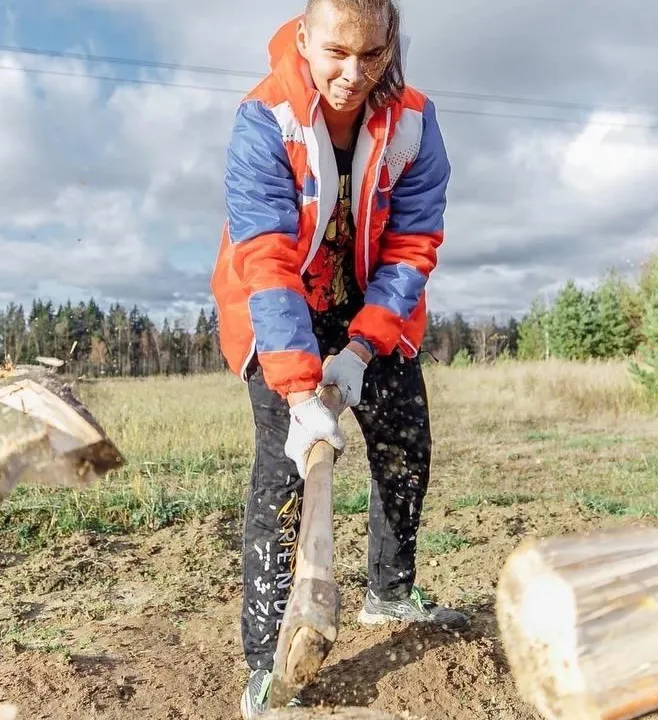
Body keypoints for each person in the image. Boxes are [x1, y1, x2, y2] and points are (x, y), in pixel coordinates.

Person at [208, 0, 468, 715]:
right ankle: (266, 662)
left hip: (369, 312)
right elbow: (264, 259)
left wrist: (360, 346)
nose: (353, 75)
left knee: (405, 446)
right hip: (280, 311)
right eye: (335, 53)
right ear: (303, 38)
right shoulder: (265, 119)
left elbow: (414, 245)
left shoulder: (415, 121)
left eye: (372, 56)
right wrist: (298, 392)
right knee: (283, 473)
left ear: (391, 46)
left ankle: (388, 592)